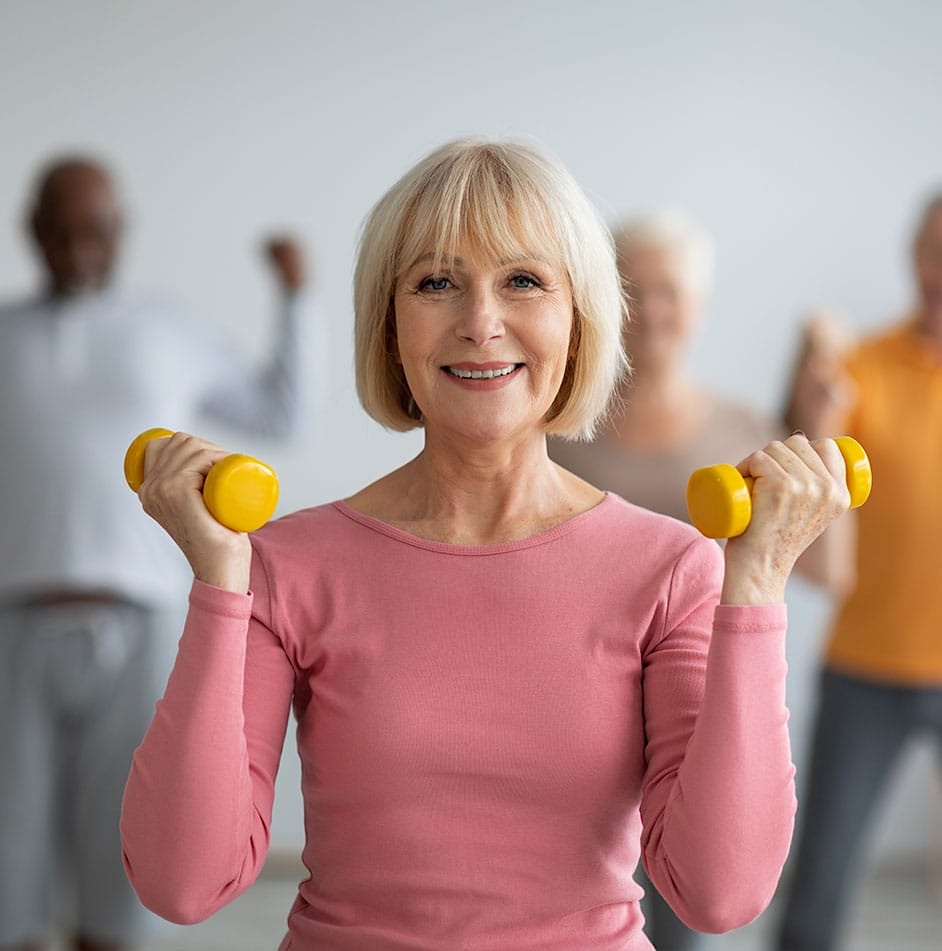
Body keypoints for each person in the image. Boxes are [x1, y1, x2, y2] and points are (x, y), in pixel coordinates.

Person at [120, 138, 850, 951]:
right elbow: (181, 882)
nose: (480, 322)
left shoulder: (670, 568)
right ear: (391, 326)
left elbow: (719, 894)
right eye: (437, 282)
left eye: (524, 281)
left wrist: (755, 589)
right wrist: (222, 584)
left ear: (579, 321)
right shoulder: (288, 565)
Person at [0, 155, 314, 951]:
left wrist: (294, 298)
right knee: (9, 864)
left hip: (138, 622)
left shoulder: (166, 329)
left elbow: (277, 410)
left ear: (119, 231)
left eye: (94, 230)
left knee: (125, 859)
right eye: (60, 230)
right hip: (15, 623)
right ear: (31, 231)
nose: (77, 247)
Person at [549, 210, 855, 950]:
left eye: (670, 291)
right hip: (573, 730)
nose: (651, 310)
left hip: (698, 721)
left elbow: (831, 568)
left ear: (700, 305)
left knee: (689, 924)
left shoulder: (746, 431)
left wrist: (822, 433)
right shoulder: (554, 431)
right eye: (631, 289)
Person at [773, 193, 942, 951]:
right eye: (933, 248)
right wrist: (817, 394)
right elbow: (819, 499)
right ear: (914, 256)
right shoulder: (862, 366)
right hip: (863, 667)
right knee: (817, 891)